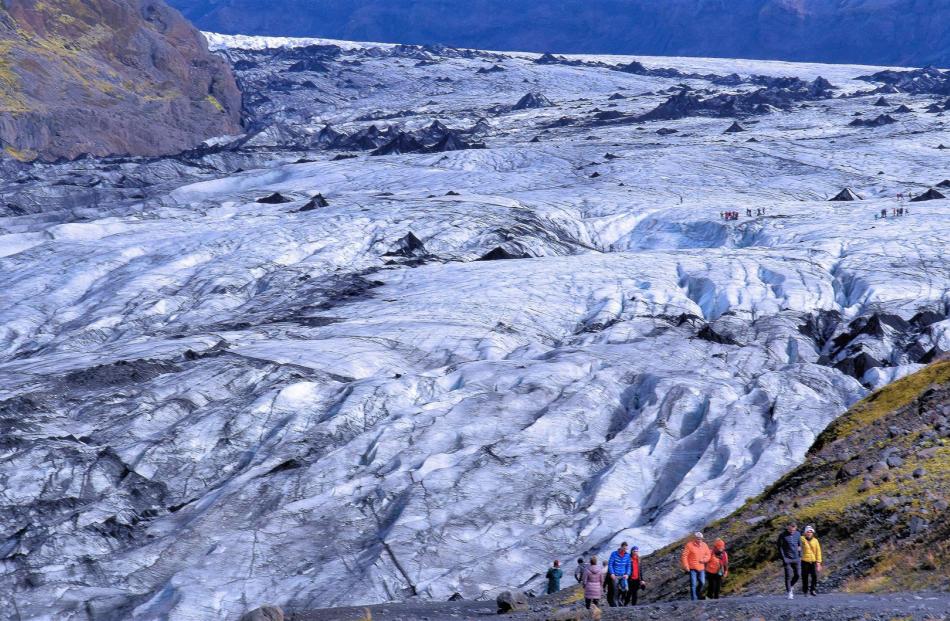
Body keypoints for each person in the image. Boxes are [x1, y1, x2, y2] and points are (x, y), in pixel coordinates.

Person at [681, 532, 711, 601]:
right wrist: (686, 566)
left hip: (701, 568)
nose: (699, 540)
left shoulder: (704, 545)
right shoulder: (689, 545)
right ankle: (694, 600)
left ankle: (697, 593)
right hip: (692, 568)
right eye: (698, 538)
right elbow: (684, 556)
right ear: (695, 539)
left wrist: (704, 560)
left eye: (701, 539)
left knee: (702, 582)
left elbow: (708, 554)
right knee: (693, 585)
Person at [777, 521, 803, 599]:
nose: (792, 532)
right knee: (788, 576)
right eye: (791, 530)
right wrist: (783, 557)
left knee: (798, 575)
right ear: (788, 528)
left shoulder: (798, 534)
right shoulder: (782, 535)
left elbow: (800, 544)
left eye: (794, 530)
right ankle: (789, 593)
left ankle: (790, 586)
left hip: (796, 558)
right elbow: (779, 547)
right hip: (787, 558)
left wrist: (800, 555)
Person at [607, 542, 632, 607]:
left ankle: (621, 599)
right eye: (624, 548)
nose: (625, 550)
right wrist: (612, 573)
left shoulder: (627, 555)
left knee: (626, 589)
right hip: (615, 575)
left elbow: (628, 565)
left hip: (623, 575)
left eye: (626, 549)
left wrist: (627, 574)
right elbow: (610, 564)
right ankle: (616, 604)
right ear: (621, 547)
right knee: (615, 590)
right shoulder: (614, 554)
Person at [801, 525, 823, 596]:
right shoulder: (801, 539)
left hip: (813, 561)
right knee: (805, 577)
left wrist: (818, 562)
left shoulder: (815, 541)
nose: (809, 533)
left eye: (811, 532)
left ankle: (813, 590)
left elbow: (818, 552)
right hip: (804, 561)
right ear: (805, 533)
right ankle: (805, 591)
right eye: (808, 532)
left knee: (814, 576)